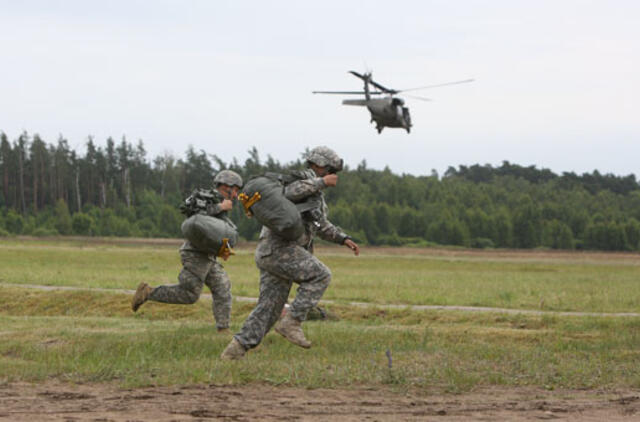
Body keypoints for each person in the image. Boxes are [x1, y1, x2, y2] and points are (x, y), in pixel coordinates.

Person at [221, 146, 359, 359]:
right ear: (319, 166)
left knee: (268, 309)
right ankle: (292, 322)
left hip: (270, 253)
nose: (333, 176)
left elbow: (319, 224)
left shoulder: (314, 192)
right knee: (321, 275)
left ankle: (234, 351)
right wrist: (320, 182)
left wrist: (342, 238)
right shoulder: (301, 181)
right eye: (331, 170)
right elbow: (289, 193)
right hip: (281, 250)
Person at [131, 169, 243, 333]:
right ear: (227, 186)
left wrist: (222, 249)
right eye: (236, 190)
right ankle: (148, 292)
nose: (236, 195)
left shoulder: (221, 203)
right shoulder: (208, 198)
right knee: (189, 295)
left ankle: (223, 330)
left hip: (208, 256)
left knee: (223, 288)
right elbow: (195, 218)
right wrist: (219, 207)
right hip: (195, 255)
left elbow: (213, 232)